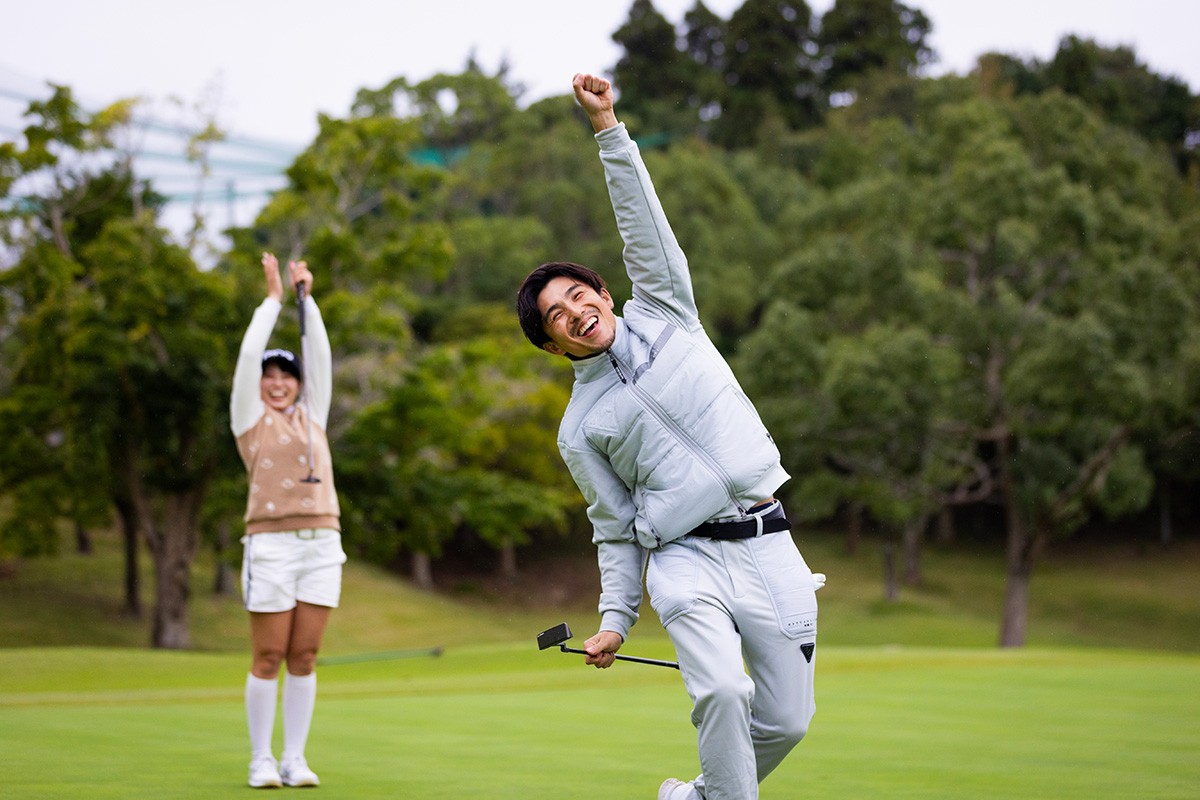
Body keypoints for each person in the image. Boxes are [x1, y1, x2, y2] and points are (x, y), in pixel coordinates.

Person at [516, 74, 824, 800]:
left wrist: (608, 129)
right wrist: (615, 619)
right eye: (556, 317)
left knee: (787, 722)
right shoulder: (579, 428)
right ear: (556, 347)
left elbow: (642, 225)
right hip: (684, 561)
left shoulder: (667, 310)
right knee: (721, 692)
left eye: (576, 295)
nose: (573, 312)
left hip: (771, 543)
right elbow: (613, 528)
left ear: (598, 290)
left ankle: (692, 799)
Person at [230, 252, 346, 789]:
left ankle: (294, 758)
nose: (277, 382)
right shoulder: (248, 421)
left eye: (286, 376)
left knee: (305, 654)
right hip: (270, 548)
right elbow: (250, 352)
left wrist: (306, 299)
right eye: (269, 377)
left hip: (322, 544)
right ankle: (260, 759)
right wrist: (273, 300)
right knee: (269, 654)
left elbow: (318, 355)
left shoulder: (313, 414)